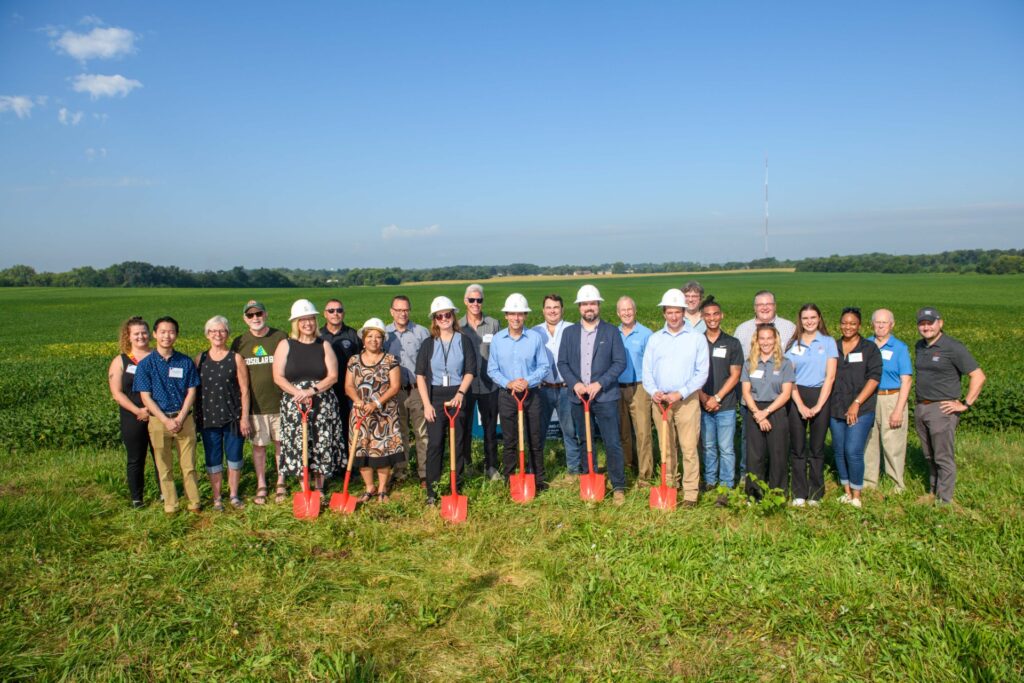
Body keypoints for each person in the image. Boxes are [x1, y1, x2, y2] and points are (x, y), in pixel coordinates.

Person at [557, 284, 628, 505]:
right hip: (578, 398)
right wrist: (575, 384)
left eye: (593, 303)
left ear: (598, 306)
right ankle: (590, 479)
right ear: (579, 307)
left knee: (612, 442)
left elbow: (619, 362)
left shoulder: (611, 331)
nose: (589, 307)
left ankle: (618, 486)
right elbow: (562, 362)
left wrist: (600, 383)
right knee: (584, 440)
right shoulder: (569, 333)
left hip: (605, 397)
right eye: (585, 304)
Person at [641, 288, 709, 507]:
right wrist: (655, 392)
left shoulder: (697, 338)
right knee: (666, 447)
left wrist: (680, 393)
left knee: (689, 448)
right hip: (660, 402)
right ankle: (670, 485)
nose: (673, 316)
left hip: (686, 401)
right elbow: (647, 372)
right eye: (669, 312)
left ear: (683, 312)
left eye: (677, 312)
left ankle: (690, 493)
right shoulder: (654, 339)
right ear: (664, 313)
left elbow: (702, 373)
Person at [913, 307, 985, 505]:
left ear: (940, 323)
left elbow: (978, 376)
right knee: (929, 454)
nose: (926, 327)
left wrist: (965, 404)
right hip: (922, 407)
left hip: (942, 409)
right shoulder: (920, 346)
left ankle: (945, 500)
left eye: (930, 323)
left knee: (943, 456)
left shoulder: (953, 347)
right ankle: (933, 491)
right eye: (922, 323)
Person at [272, 299, 342, 496]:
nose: (308, 324)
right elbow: (278, 376)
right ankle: (305, 487)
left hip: (321, 402)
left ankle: (319, 486)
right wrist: (298, 393)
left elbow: (333, 376)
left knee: (321, 442)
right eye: (302, 320)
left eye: (311, 319)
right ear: (295, 323)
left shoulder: (324, 345)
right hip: (295, 404)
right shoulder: (285, 345)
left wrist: (311, 391)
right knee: (299, 443)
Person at [133, 316, 202, 514]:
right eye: (162, 332)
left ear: (176, 335)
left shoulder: (185, 361)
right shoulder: (146, 365)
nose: (167, 336)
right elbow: (145, 397)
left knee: (188, 465)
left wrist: (180, 418)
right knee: (164, 467)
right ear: (155, 335)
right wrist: (165, 420)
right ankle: (171, 505)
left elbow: (192, 391)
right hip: (158, 422)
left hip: (184, 420)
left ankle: (194, 503)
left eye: (171, 332)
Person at [416, 296, 477, 505]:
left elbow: (470, 371)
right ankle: (432, 490)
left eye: (447, 314)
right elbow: (420, 376)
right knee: (435, 443)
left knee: (458, 442)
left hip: (458, 394)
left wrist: (460, 393)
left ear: (453, 316)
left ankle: (455, 485)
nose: (444, 318)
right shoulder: (428, 344)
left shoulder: (464, 340)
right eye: (439, 316)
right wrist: (426, 404)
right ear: (434, 319)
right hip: (435, 396)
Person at [488, 293, 551, 491]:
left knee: (534, 438)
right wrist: (508, 383)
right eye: (512, 314)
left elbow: (543, 366)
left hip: (530, 394)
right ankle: (510, 479)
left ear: (525, 316)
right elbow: (492, 369)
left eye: (520, 314)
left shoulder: (535, 338)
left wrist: (527, 381)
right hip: (507, 396)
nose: (516, 318)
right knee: (510, 440)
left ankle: (537, 479)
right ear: (506, 315)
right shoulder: (498, 340)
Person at [733, 290, 797, 482]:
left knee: (778, 449)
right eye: (760, 304)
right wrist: (758, 413)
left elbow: (787, 389)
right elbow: (744, 384)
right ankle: (752, 485)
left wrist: (766, 412)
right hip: (752, 404)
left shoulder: (789, 329)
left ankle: (776, 487)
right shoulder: (742, 330)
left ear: (775, 305)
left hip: (777, 405)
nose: (764, 307)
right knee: (752, 449)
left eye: (768, 303)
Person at [231, 300, 287, 504]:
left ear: (266, 314)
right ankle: (261, 483)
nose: (255, 318)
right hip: (255, 405)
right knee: (259, 446)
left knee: (282, 444)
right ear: (245, 319)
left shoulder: (280, 337)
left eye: (259, 314)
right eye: (251, 315)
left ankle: (281, 481)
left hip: (280, 403)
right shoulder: (240, 342)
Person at [783, 304, 838, 507]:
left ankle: (815, 492)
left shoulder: (828, 342)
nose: (809, 321)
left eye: (813, 317)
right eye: (805, 318)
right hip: (796, 396)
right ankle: (799, 493)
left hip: (820, 395)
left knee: (816, 447)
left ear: (819, 318)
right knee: (798, 448)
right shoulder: (793, 345)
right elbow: (789, 377)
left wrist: (818, 406)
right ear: (800, 320)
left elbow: (830, 377)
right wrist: (800, 405)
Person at [345, 318, 404, 503]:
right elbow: (348, 386)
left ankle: (382, 489)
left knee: (382, 454)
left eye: (378, 337)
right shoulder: (354, 360)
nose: (374, 340)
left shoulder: (390, 360)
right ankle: (369, 487)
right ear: (363, 338)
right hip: (360, 413)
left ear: (383, 339)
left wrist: (376, 403)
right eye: (370, 336)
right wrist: (359, 401)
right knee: (362, 451)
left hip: (384, 414)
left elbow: (395, 387)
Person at [194, 316, 250, 511]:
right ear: (207, 334)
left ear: (228, 334)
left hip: (233, 417)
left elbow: (244, 390)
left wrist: (244, 418)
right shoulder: (200, 359)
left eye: (222, 331)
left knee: (234, 457)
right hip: (208, 418)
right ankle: (217, 497)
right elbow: (193, 390)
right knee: (213, 459)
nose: (218, 334)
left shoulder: (236, 358)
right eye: (213, 331)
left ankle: (233, 495)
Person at [830, 307, 882, 508]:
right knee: (839, 450)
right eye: (844, 323)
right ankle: (846, 491)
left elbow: (874, 378)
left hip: (861, 408)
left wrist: (857, 403)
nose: (848, 327)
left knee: (853, 450)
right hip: (835, 408)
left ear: (859, 325)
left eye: (852, 323)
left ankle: (857, 494)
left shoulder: (869, 348)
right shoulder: (833, 347)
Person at [740, 325, 794, 502]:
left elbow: (786, 393)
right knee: (755, 455)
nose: (765, 342)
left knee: (777, 453)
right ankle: (754, 494)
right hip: (754, 410)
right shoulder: (749, 363)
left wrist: (767, 412)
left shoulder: (784, 363)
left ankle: (777, 494)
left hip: (776, 410)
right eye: (762, 338)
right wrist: (757, 413)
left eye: (769, 338)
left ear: (775, 340)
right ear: (756, 341)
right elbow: (746, 392)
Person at [697, 297, 743, 505]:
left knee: (726, 447)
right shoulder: (696, 342)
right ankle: (710, 480)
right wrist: (704, 397)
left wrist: (716, 397)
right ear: (702, 317)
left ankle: (725, 485)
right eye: (708, 315)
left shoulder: (732, 343)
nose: (712, 318)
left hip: (725, 405)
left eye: (716, 314)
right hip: (703, 404)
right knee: (707, 445)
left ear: (721, 316)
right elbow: (691, 373)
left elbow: (735, 375)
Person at [107, 316, 156, 509]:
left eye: (144, 332)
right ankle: (137, 498)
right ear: (128, 336)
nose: (141, 336)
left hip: (157, 414)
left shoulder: (157, 356)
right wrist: (138, 410)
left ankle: (164, 493)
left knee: (160, 456)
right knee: (136, 458)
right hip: (132, 416)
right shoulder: (121, 361)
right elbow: (117, 393)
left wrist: (152, 410)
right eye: (136, 333)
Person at [533, 294, 582, 476]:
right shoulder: (535, 332)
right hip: (543, 388)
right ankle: (536, 470)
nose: (552, 311)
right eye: (548, 307)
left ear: (562, 309)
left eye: (556, 307)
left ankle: (574, 470)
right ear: (543, 310)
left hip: (566, 388)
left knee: (569, 431)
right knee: (538, 431)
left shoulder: (573, 329)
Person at [864, 309, 913, 493]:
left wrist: (899, 409)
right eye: (877, 322)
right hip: (869, 397)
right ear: (872, 324)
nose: (881, 326)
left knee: (893, 443)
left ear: (892, 325)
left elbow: (906, 380)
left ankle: (896, 484)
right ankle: (869, 482)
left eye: (884, 322)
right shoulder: (866, 344)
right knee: (868, 441)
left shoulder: (899, 348)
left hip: (891, 397)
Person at [458, 284, 502, 479]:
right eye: (472, 300)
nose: (476, 303)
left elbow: (500, 353)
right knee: (465, 429)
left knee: (490, 429)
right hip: (465, 386)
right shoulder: (457, 326)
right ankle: (466, 465)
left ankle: (491, 467)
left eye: (479, 300)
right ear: (465, 301)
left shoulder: (493, 324)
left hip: (489, 385)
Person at [386, 295, 430, 486]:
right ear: (391, 312)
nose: (402, 314)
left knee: (422, 432)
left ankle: (425, 473)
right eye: (398, 310)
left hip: (416, 389)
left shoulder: (421, 332)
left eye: (405, 310)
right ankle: (401, 471)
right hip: (394, 391)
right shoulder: (385, 334)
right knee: (399, 432)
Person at [616, 296, 654, 486]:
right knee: (623, 431)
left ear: (635, 310)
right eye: (623, 310)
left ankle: (645, 475)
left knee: (643, 432)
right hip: (617, 387)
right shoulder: (613, 334)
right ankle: (627, 466)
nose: (626, 313)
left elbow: (653, 363)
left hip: (640, 387)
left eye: (629, 309)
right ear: (617, 313)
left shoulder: (647, 334)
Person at [320, 297, 361, 449]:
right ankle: (332, 465)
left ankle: (350, 466)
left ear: (343, 314)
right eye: (331, 310)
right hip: (326, 389)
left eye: (339, 310)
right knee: (328, 427)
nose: (335, 313)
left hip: (348, 390)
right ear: (325, 314)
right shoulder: (318, 336)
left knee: (348, 426)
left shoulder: (353, 335)